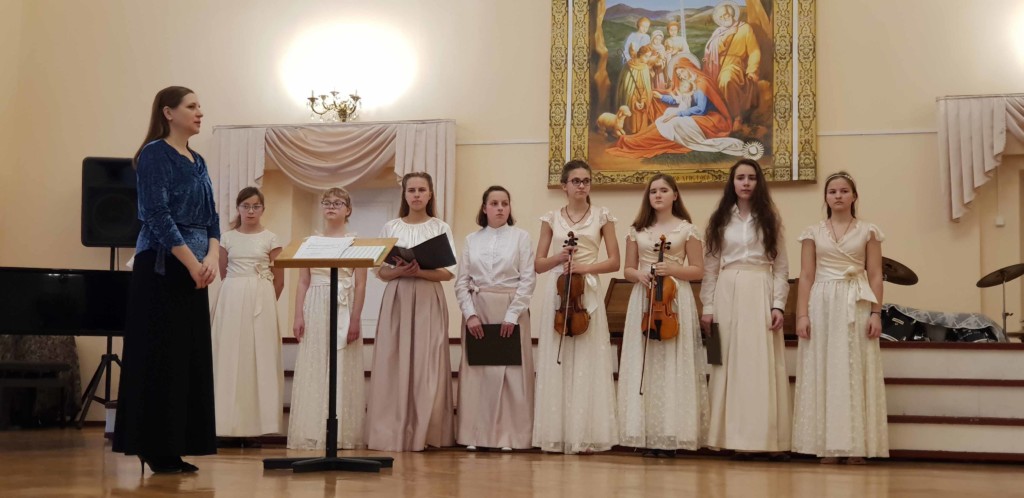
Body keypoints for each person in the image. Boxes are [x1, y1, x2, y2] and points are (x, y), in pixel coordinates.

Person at [112, 86, 219, 474]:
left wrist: (211, 257)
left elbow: (212, 217)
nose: (199, 112)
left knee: (186, 357)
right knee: (160, 356)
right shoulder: (155, 153)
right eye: (192, 106)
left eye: (200, 106)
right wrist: (191, 263)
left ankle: (175, 446)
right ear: (168, 112)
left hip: (195, 269)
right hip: (162, 267)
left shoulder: (198, 160)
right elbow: (156, 214)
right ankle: (154, 446)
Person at [791, 171, 889, 464]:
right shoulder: (812, 233)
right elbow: (805, 276)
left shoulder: (869, 231)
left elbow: (875, 275)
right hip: (821, 302)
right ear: (826, 197)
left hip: (855, 301)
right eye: (832, 191)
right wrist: (802, 314)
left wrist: (876, 313)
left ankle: (856, 446)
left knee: (854, 369)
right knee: (825, 368)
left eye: (844, 191)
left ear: (854, 196)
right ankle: (827, 445)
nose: (838, 196)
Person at [699, 159, 791, 459]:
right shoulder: (719, 220)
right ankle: (729, 438)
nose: (746, 182)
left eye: (752, 177)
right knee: (723, 360)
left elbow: (781, 268)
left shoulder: (771, 219)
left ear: (759, 182)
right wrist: (708, 307)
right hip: (726, 291)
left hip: (760, 289)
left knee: (760, 363)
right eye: (740, 177)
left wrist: (778, 305)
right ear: (733, 182)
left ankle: (768, 439)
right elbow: (710, 268)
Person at [617, 174, 709, 457]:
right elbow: (627, 269)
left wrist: (672, 270)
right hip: (644, 299)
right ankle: (646, 433)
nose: (657, 195)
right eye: (653, 191)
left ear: (675, 195)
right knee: (645, 362)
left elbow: (698, 270)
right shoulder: (636, 230)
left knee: (673, 362)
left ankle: (672, 434)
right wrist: (639, 275)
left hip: (674, 298)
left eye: (664, 190)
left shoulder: (687, 230)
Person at [532, 160, 620, 454]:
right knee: (558, 360)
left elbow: (614, 261)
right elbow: (538, 264)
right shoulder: (550, 219)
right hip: (559, 292)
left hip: (586, 292)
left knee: (586, 359)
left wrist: (584, 267)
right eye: (576, 181)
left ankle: (586, 433)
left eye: (586, 181)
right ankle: (557, 433)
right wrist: (560, 258)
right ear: (564, 186)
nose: (582, 186)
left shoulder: (603, 216)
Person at [366, 172, 457, 451]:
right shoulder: (391, 226)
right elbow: (379, 272)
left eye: (421, 190)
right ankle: (392, 432)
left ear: (430, 194)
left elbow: (448, 272)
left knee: (427, 363)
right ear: (404, 195)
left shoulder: (440, 227)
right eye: (411, 190)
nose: (416, 195)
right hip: (398, 297)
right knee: (394, 360)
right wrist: (399, 271)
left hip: (428, 297)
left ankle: (427, 432)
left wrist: (421, 271)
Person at [454, 186, 536, 452]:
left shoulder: (521, 237)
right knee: (479, 373)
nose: (500, 208)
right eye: (494, 203)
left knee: (511, 373)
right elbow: (462, 282)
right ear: (484, 208)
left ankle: (510, 437)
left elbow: (528, 279)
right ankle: (475, 436)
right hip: (478, 309)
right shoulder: (471, 240)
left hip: (512, 308)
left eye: (505, 203)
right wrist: (470, 315)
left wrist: (512, 315)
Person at [287, 188, 367, 450]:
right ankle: (312, 430)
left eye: (338, 203)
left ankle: (341, 432)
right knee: (314, 363)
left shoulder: (356, 243)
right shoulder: (310, 242)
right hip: (315, 303)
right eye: (327, 202)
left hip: (344, 303)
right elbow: (302, 281)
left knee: (341, 364)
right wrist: (298, 314)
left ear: (348, 210)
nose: (331, 207)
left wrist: (355, 319)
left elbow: (361, 284)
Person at [211, 187, 283, 448]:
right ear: (238, 208)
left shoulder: (271, 238)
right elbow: (223, 272)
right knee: (228, 358)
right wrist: (239, 293)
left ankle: (254, 428)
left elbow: (279, 281)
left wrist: (262, 299)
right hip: (231, 298)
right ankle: (225, 426)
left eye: (256, 206)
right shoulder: (227, 238)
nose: (251, 211)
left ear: (263, 209)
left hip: (261, 300)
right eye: (246, 206)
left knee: (258, 360)